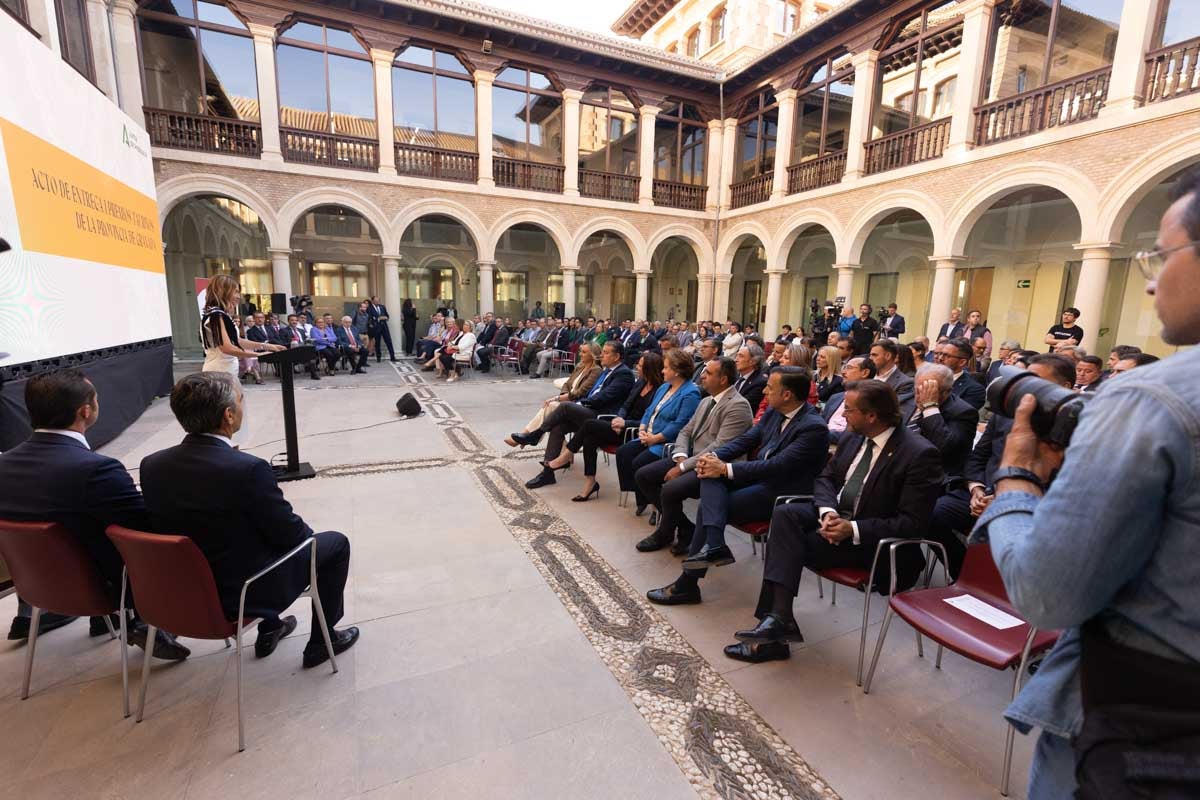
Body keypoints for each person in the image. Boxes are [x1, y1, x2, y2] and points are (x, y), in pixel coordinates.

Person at [962, 174, 1200, 797]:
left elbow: (1047, 594)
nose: (1149, 280)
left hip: (1146, 724)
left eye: (1161, 255)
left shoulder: (1152, 401)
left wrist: (1017, 480)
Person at [141, 373, 359, 667]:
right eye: (242, 400)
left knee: (246, 542)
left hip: (180, 591)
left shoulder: (152, 465)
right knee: (333, 544)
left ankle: (272, 626)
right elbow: (293, 536)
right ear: (228, 415)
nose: (245, 406)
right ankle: (323, 641)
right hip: (241, 594)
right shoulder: (247, 469)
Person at [723, 380, 942, 663]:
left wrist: (852, 528)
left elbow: (912, 524)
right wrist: (828, 513)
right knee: (786, 515)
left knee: (787, 544)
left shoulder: (918, 454)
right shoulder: (853, 437)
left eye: (848, 410)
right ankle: (778, 620)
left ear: (872, 416)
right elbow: (826, 478)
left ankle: (776, 627)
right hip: (837, 519)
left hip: (875, 545)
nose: (841, 415)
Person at [0, 370, 190, 659]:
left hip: (36, 584)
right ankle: (144, 620)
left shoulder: (5, 465)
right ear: (85, 411)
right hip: (101, 588)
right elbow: (144, 530)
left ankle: (107, 620)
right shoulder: (95, 470)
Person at [646, 368, 830, 606]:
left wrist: (724, 469)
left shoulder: (813, 427)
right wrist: (711, 458)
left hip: (781, 491)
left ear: (787, 395)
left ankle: (691, 579)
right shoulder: (775, 412)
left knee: (709, 507)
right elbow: (747, 439)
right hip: (759, 477)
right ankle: (712, 548)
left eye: (770, 388)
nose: (764, 391)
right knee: (709, 477)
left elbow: (778, 466)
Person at [926, 353, 1075, 580]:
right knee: (931, 514)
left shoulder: (1074, 429)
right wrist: (975, 489)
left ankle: (997, 585)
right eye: (1024, 381)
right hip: (980, 492)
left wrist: (1002, 498)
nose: (1027, 391)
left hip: (1032, 503)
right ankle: (964, 574)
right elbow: (977, 457)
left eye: (1037, 383)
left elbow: (1063, 482)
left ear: (1065, 387)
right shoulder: (1005, 415)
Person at [634, 357, 754, 553]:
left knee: (671, 489)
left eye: (708, 373)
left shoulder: (738, 405)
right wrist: (680, 456)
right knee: (643, 475)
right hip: (692, 459)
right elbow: (686, 431)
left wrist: (682, 467)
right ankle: (685, 527)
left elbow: (719, 446)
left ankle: (665, 533)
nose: (703, 376)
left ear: (723, 379)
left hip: (715, 468)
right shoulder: (706, 400)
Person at [540, 352, 664, 498]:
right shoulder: (641, 382)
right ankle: (590, 481)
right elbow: (626, 405)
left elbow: (650, 419)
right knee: (589, 438)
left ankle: (564, 456)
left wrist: (625, 423)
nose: (637, 367)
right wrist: (619, 418)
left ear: (650, 369)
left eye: (641, 365)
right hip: (620, 425)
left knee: (589, 425)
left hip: (634, 431)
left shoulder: (659, 390)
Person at [512, 341, 636, 487]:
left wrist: (580, 404)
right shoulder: (606, 371)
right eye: (602, 351)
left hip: (603, 417)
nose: (602, 355)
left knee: (565, 406)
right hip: (591, 410)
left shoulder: (624, 374)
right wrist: (580, 403)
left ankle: (536, 434)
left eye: (606, 352)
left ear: (617, 357)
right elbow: (591, 393)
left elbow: (604, 397)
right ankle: (547, 473)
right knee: (559, 426)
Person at [613, 350, 700, 512]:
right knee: (624, 452)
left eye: (666, 368)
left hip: (666, 442)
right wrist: (642, 429)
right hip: (648, 435)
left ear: (677, 371)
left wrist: (654, 439)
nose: (662, 371)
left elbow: (680, 424)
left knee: (639, 463)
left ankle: (656, 503)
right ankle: (643, 497)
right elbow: (649, 411)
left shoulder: (690, 393)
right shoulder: (665, 387)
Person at [200, 276, 286, 437]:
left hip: (226, 371)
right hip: (220, 371)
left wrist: (267, 346)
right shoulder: (216, 315)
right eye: (236, 291)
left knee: (233, 416)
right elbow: (226, 347)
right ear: (223, 291)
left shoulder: (218, 315)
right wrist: (257, 355)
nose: (239, 296)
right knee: (226, 419)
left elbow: (238, 341)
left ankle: (233, 453)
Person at [504, 343, 602, 447]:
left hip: (579, 404)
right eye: (580, 351)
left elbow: (580, 392)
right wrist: (564, 396)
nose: (580, 354)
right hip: (568, 400)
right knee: (552, 415)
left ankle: (527, 436)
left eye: (584, 352)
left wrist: (558, 398)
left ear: (593, 355)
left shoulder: (596, 370)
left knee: (550, 407)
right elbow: (567, 384)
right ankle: (528, 437)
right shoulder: (580, 366)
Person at [906, 363, 978, 479]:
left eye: (930, 391)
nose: (922, 396)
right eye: (919, 390)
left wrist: (930, 407)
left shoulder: (963, 412)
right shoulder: (906, 399)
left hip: (930, 474)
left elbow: (945, 448)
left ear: (947, 391)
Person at [822, 356, 875, 445]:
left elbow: (855, 435)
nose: (843, 372)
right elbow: (820, 422)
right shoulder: (835, 397)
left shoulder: (871, 400)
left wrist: (819, 433)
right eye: (844, 368)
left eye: (849, 368)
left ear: (865, 373)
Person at [869, 339, 915, 422]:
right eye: (870, 355)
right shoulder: (867, 375)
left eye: (874, 355)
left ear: (888, 356)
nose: (870, 358)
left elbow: (893, 411)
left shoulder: (905, 382)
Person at [935, 338, 986, 409]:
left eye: (947, 356)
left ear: (962, 362)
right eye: (940, 354)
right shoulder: (927, 378)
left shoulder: (974, 390)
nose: (940, 358)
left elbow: (959, 415)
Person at [733, 343, 768, 412]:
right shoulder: (735, 376)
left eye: (741, 356)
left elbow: (742, 406)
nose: (735, 360)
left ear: (753, 361)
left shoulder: (760, 382)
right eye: (736, 355)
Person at [366, 295, 396, 362]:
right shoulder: (369, 308)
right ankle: (378, 358)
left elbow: (387, 315)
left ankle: (393, 357)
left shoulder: (382, 307)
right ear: (372, 301)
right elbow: (369, 318)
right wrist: (378, 319)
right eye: (376, 301)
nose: (377, 302)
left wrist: (386, 317)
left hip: (384, 327)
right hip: (376, 328)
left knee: (389, 341)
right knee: (377, 343)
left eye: (378, 300)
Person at [239, 315, 264, 385]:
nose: (251, 323)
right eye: (249, 321)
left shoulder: (256, 330)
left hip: (251, 348)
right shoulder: (242, 329)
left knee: (249, 353)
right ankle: (255, 375)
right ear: (246, 322)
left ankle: (249, 370)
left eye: (253, 321)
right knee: (248, 353)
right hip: (240, 348)